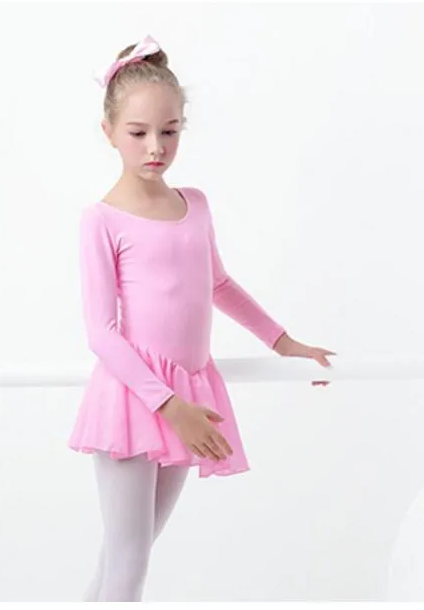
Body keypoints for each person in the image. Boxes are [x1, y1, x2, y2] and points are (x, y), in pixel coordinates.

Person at [67, 34, 336, 602]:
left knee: (125, 557)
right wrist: (172, 407)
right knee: (128, 564)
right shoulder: (102, 220)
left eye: (170, 131)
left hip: (189, 390)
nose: (155, 147)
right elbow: (101, 333)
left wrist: (285, 342)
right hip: (136, 398)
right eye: (138, 133)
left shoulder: (196, 204)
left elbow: (218, 284)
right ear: (109, 132)